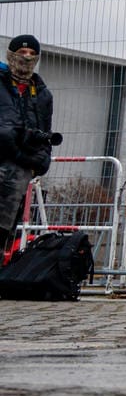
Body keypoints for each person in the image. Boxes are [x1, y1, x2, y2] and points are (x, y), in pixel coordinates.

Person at [0, 35, 55, 251]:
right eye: (22, 53)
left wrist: (42, 160)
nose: (27, 57)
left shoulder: (42, 95)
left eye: (32, 54)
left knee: (5, 230)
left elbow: (45, 133)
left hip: (20, 171)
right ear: (11, 54)